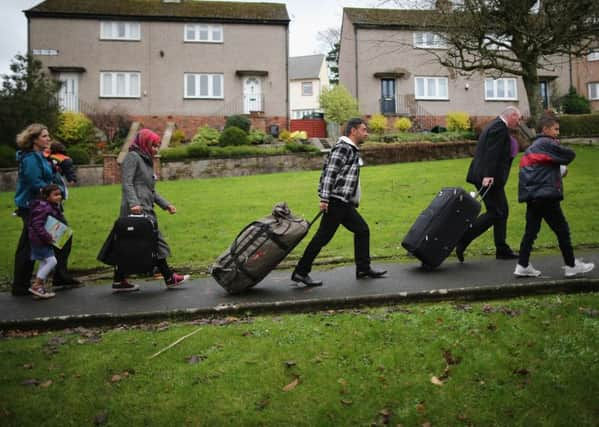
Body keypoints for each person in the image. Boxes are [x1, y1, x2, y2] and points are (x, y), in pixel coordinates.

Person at [291, 118, 387, 287]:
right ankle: (301, 271)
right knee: (322, 238)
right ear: (353, 131)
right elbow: (329, 173)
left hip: (344, 202)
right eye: (364, 130)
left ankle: (363, 268)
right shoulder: (343, 148)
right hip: (336, 201)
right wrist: (324, 198)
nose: (366, 133)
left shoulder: (351, 149)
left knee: (362, 230)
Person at [513, 115, 594, 278]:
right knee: (562, 230)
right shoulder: (547, 143)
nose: (558, 132)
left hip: (533, 196)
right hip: (546, 195)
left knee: (531, 232)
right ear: (545, 129)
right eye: (556, 129)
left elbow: (538, 168)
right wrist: (560, 165)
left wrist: (556, 167)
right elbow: (569, 155)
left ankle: (522, 265)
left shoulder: (533, 147)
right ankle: (571, 266)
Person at [112, 128, 189, 292]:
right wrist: (134, 203)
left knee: (129, 243)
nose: (156, 149)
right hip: (136, 210)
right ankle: (169, 277)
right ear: (145, 143)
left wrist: (166, 204)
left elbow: (150, 190)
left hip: (146, 207)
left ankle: (119, 279)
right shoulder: (132, 157)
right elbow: (127, 183)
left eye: (158, 146)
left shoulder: (146, 160)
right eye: (154, 146)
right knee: (152, 240)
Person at [456, 106, 522, 262]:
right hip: (487, 178)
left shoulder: (495, 125)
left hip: (488, 178)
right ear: (512, 115)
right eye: (518, 119)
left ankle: (502, 249)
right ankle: (463, 239)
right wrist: (488, 175)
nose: (518, 123)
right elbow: (492, 153)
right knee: (496, 212)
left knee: (502, 211)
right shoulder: (499, 127)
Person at [12, 124, 55, 296]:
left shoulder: (38, 156)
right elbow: (34, 183)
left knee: (30, 244)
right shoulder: (31, 158)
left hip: (38, 204)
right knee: (28, 245)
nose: (48, 139)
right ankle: (21, 286)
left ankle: (25, 283)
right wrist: (51, 192)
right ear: (34, 140)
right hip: (32, 206)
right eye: (44, 136)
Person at [27, 184, 67, 299]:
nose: (59, 197)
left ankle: (39, 288)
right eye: (55, 195)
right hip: (40, 240)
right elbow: (36, 225)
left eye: (60, 194)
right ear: (46, 197)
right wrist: (48, 237)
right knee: (52, 261)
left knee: (44, 262)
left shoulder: (50, 206)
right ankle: (37, 285)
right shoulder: (44, 207)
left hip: (42, 240)